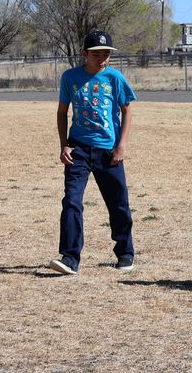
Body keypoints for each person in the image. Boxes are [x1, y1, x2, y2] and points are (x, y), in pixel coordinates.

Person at [48, 30, 137, 276]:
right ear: (84, 53)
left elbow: (127, 111)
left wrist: (121, 146)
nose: (102, 58)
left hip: (108, 150)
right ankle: (69, 257)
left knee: (118, 203)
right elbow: (61, 112)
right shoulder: (70, 78)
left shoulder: (114, 78)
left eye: (106, 53)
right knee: (72, 202)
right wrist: (64, 144)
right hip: (78, 150)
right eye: (97, 53)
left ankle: (126, 252)